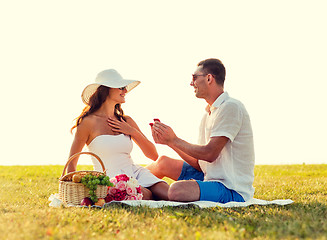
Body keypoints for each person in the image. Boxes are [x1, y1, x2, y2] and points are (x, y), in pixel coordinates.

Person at [147, 58, 255, 203]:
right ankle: (125, 186)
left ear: (209, 78)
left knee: (176, 191)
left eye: (194, 77)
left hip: (231, 189)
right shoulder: (208, 113)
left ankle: (144, 193)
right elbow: (200, 163)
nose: (191, 83)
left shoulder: (231, 107)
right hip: (208, 177)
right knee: (162, 163)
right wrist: (169, 142)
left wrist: (174, 139)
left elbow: (210, 154)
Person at [67, 69, 169, 200]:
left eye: (125, 87)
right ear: (106, 90)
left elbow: (153, 155)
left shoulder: (126, 121)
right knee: (148, 194)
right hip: (112, 181)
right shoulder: (88, 123)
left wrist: (132, 131)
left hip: (136, 173)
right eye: (121, 87)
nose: (125, 91)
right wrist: (73, 188)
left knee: (172, 194)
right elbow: (72, 162)